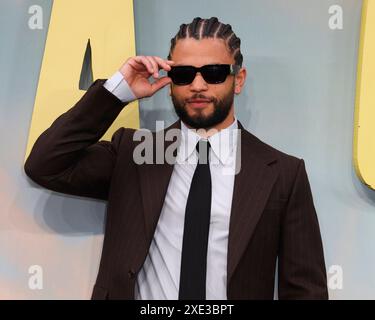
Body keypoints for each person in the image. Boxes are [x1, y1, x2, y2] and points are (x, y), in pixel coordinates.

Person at [24, 17, 328, 300]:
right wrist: (117, 91)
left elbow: (305, 290)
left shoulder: (283, 173)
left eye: (213, 72)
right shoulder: (134, 153)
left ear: (238, 79)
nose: (197, 85)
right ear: (169, 82)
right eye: (183, 74)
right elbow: (46, 164)